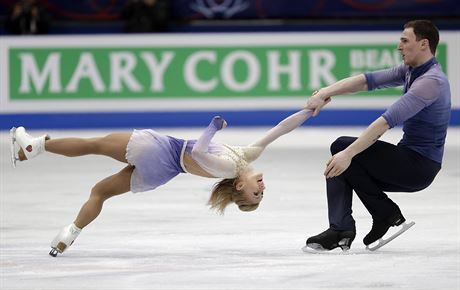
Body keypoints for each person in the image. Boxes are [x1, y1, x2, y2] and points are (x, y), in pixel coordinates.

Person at [10, 109, 313, 256]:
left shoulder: (229, 166)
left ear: (238, 187)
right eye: (263, 194)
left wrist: (213, 126)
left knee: (95, 144)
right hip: (163, 172)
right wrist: (311, 110)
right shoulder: (245, 156)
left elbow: (197, 149)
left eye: (256, 196)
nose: (262, 191)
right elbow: (281, 128)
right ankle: (69, 234)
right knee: (100, 192)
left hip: (160, 149)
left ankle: (35, 147)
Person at [303, 20, 451, 252]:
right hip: (410, 160)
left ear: (424, 44)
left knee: (343, 149)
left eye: (404, 40)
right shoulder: (411, 70)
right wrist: (325, 92)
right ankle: (342, 229)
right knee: (344, 159)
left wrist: (348, 153)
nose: (398, 46)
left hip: (419, 167)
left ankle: (382, 214)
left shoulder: (430, 82)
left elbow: (384, 122)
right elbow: (366, 81)